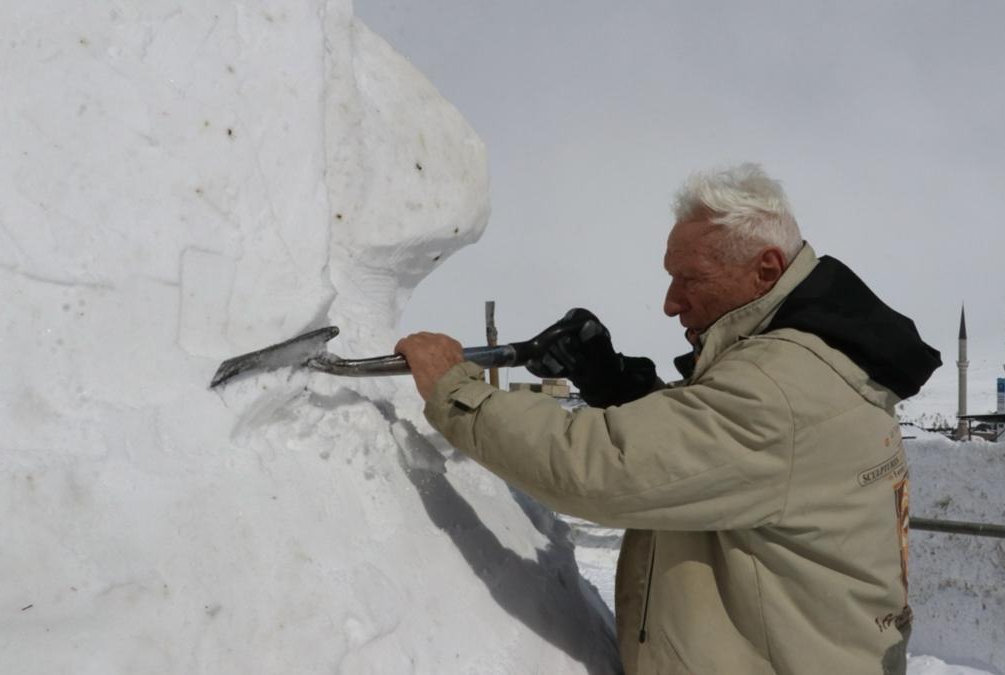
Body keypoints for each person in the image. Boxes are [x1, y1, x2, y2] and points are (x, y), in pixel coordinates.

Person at [396, 163, 941, 674]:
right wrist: (615, 387)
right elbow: (715, 458)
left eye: (690, 279)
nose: (670, 303)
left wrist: (456, 389)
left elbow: (604, 470)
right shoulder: (809, 361)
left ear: (765, 270)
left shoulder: (780, 386)